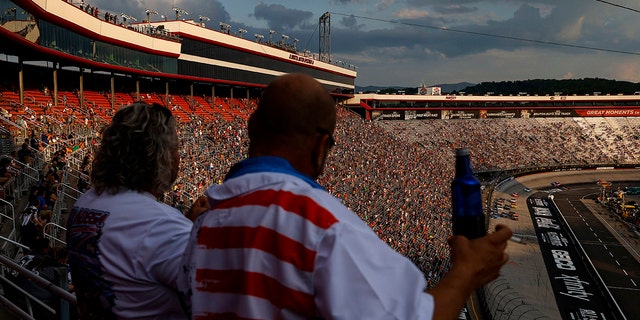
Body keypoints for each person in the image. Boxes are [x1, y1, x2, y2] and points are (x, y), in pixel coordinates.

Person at [180, 73, 513, 320]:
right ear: (321, 147)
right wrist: (467, 271)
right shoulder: (323, 225)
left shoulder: (204, 222)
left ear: (252, 129)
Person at [66, 102, 193, 319]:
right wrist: (198, 235)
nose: (179, 157)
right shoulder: (164, 226)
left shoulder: (84, 202)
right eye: (176, 148)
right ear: (159, 155)